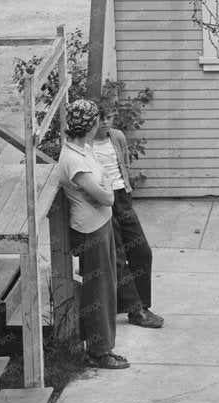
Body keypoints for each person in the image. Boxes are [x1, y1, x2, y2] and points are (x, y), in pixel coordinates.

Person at [57, 99, 128, 369]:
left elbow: (104, 185)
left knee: (107, 287)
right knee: (99, 291)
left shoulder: (80, 149)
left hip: (100, 225)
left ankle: (100, 348)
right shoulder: (76, 161)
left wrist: (106, 183)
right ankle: (99, 353)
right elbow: (107, 197)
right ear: (92, 124)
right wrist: (107, 184)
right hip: (91, 231)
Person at [91, 107, 164, 328]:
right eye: (100, 118)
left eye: (109, 118)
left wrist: (126, 190)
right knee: (118, 256)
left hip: (122, 196)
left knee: (142, 251)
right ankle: (135, 311)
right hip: (102, 200)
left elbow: (124, 163)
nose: (105, 122)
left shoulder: (118, 137)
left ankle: (143, 304)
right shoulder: (85, 144)